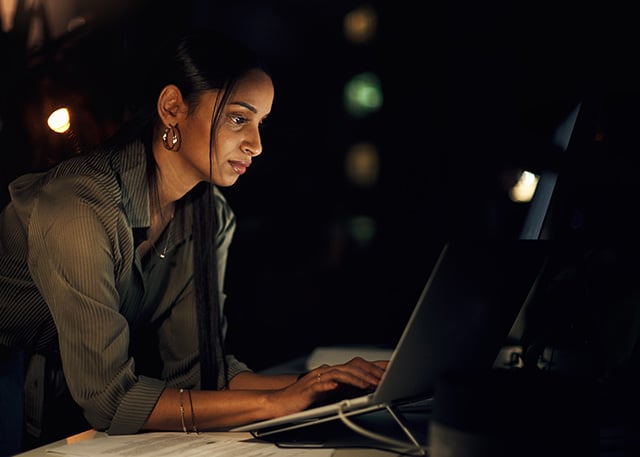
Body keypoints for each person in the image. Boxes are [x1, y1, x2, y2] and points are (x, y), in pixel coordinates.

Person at [0, 27, 387, 454]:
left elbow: (201, 371)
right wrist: (272, 404)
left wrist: (333, 382)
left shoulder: (208, 216)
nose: (256, 145)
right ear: (172, 108)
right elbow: (111, 399)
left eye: (261, 123)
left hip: (61, 402)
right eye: (239, 118)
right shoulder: (79, 205)